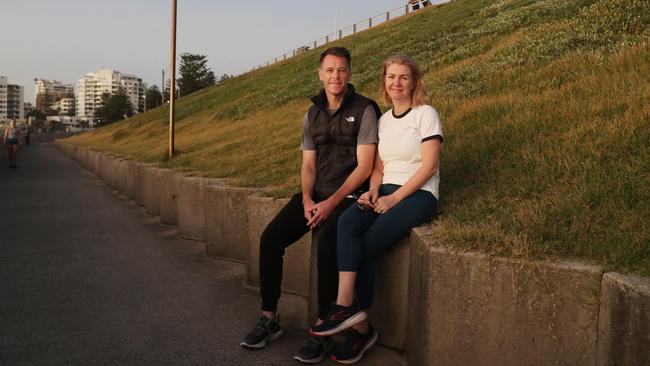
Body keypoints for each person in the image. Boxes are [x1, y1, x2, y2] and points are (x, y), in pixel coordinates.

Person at [240, 46, 381, 364]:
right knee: (271, 238)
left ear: (350, 74)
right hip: (315, 194)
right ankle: (269, 316)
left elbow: (365, 166)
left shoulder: (364, 109)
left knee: (328, 243)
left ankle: (323, 329)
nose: (336, 76)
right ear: (320, 74)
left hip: (349, 195)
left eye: (342, 70)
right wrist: (306, 199)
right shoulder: (312, 114)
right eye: (330, 70)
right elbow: (307, 166)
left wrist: (330, 203)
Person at [311, 54, 443, 364]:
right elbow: (379, 168)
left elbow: (429, 166)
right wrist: (371, 192)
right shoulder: (383, 120)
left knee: (368, 244)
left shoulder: (426, 114)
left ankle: (358, 325)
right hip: (383, 189)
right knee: (347, 224)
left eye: (403, 77)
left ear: (414, 82)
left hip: (419, 194)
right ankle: (347, 308)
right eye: (391, 77)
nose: (396, 83)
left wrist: (394, 200)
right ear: (384, 81)